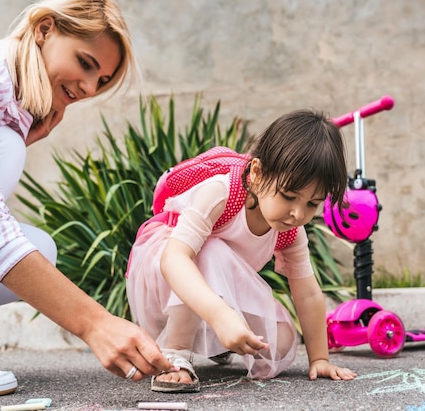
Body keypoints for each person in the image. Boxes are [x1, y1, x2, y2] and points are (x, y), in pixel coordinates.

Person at [0, 0, 174, 401]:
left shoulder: (6, 107)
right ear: (44, 29)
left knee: (41, 247)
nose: (89, 87)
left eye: (102, 80)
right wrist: (95, 323)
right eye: (86, 63)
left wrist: (23, 132)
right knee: (3, 148)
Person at [126, 109, 358, 393]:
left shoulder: (289, 228)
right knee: (210, 249)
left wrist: (319, 357)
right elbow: (173, 259)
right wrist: (220, 315)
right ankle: (175, 350)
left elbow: (307, 291)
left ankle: (216, 340)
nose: (298, 213)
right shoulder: (221, 194)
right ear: (258, 174)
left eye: (312, 204)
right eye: (288, 196)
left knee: (280, 342)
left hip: (215, 294)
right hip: (166, 279)